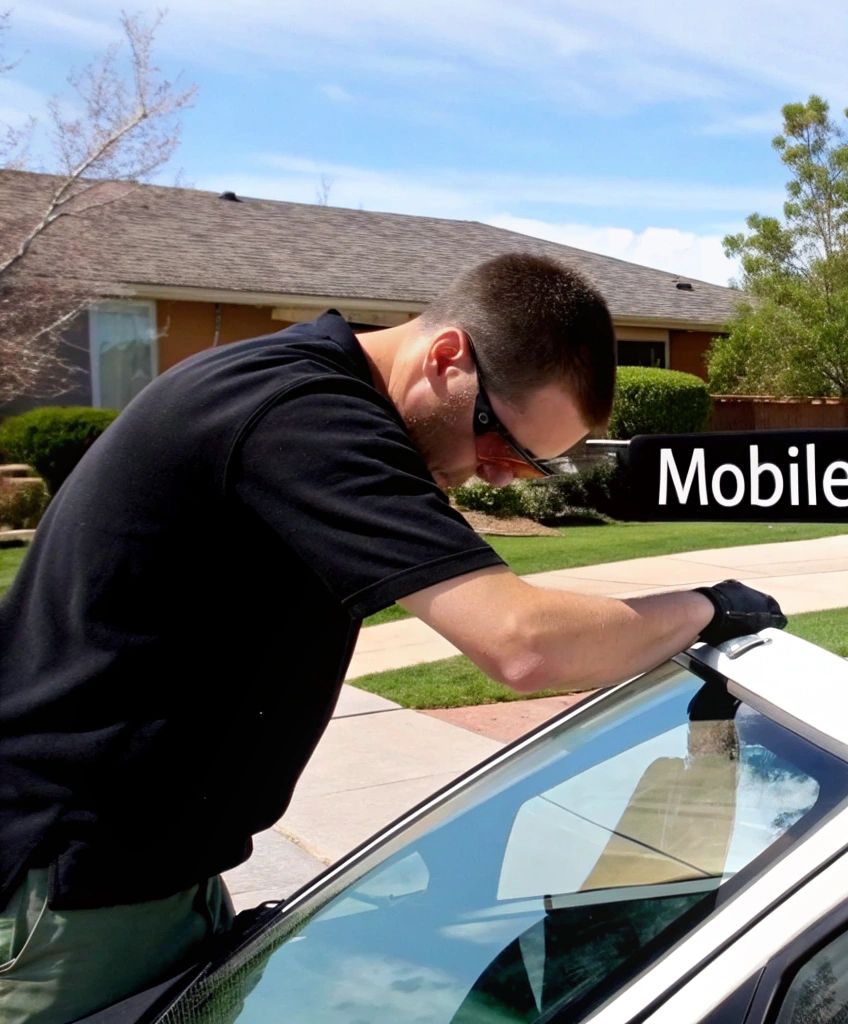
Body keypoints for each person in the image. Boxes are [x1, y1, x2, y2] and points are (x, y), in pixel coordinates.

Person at [0, 252, 785, 1023]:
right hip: (67, 885)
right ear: (447, 357)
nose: (504, 476)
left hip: (145, 874)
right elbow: (522, 642)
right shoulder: (300, 413)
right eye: (501, 444)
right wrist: (705, 608)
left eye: (533, 466)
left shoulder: (302, 394)